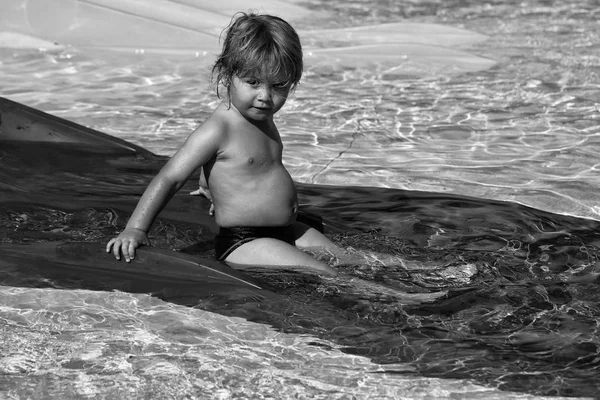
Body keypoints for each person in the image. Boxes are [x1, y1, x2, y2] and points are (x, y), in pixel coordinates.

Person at [106, 12, 344, 276]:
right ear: (226, 74)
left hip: (288, 229)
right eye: (252, 82)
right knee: (329, 274)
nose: (265, 96)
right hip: (246, 241)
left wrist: (209, 187)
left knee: (354, 261)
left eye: (278, 86)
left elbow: (242, 167)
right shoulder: (218, 129)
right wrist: (136, 229)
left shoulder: (262, 118)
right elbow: (169, 178)